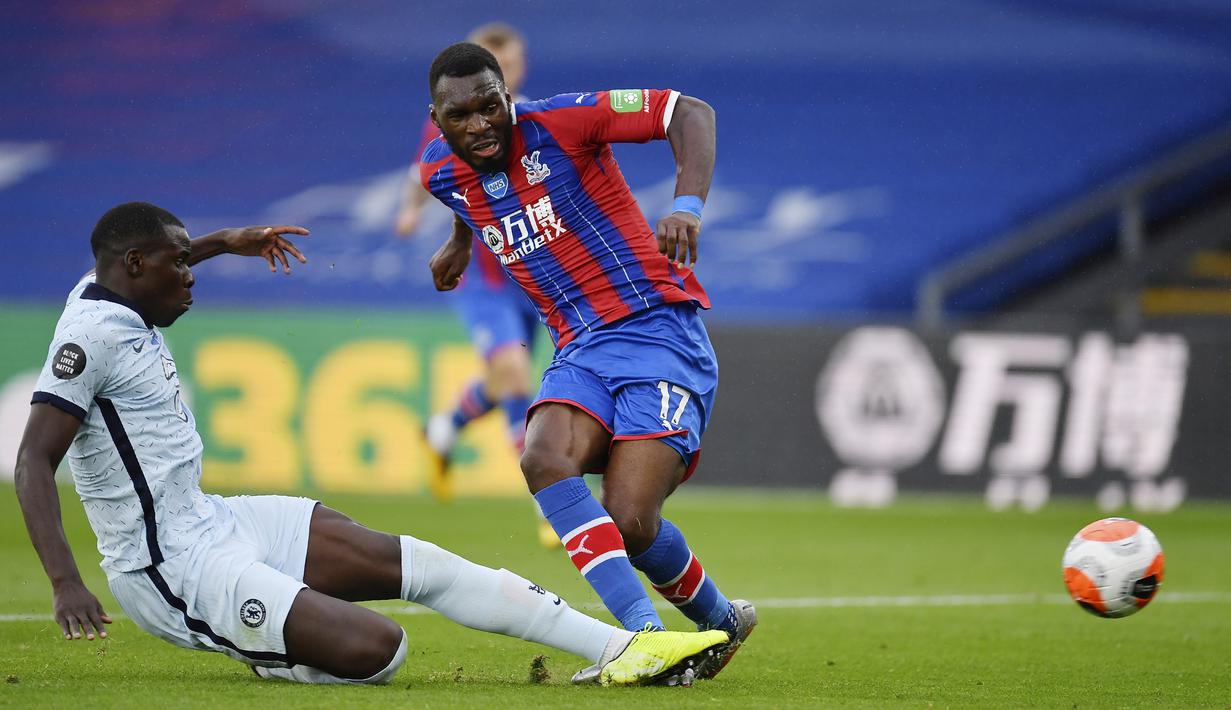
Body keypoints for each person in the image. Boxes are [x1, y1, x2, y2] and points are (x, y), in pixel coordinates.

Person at [14, 202, 729, 687]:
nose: (192, 276)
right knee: (381, 650)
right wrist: (66, 581)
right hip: (167, 569)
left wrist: (226, 242)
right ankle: (271, 643)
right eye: (179, 264)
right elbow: (33, 461)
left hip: (216, 521)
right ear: (135, 266)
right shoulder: (89, 338)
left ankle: (621, 651)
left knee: (426, 563)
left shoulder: (103, 288)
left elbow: (152, 261)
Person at [419, 42, 756, 681]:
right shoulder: (439, 169)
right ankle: (644, 637)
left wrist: (687, 205)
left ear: (507, 97)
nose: (480, 125)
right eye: (460, 116)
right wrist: (459, 242)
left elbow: (691, 112)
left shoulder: (564, 123)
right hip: (578, 348)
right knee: (541, 456)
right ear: (437, 121)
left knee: (630, 518)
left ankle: (722, 623)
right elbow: (465, 196)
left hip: (658, 331)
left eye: (490, 107)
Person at [396, 24, 545, 527]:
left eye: (514, 62)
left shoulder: (533, 119)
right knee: (516, 375)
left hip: (531, 273)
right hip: (484, 277)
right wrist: (411, 210)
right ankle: (549, 496)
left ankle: (443, 427)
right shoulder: (456, 119)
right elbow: (425, 168)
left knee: (508, 378)